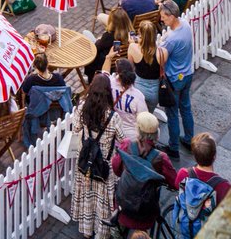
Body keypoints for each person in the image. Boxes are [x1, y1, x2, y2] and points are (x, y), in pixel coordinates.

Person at [70, 73, 122, 239]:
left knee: (87, 195)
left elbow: (76, 129)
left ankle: (86, 230)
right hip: (104, 162)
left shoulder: (81, 107)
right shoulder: (113, 117)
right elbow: (122, 139)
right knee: (102, 200)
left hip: (86, 159)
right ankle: (102, 233)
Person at [111, 111, 177, 235]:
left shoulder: (127, 145)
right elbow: (174, 182)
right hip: (144, 215)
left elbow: (116, 168)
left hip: (123, 208)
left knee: (116, 233)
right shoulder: (161, 158)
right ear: (156, 134)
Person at [171, 133, 231, 232]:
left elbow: (176, 185)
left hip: (186, 226)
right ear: (214, 156)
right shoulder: (224, 187)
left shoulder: (183, 173)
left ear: (195, 157)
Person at [157, 0, 194, 158]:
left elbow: (161, 58)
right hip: (188, 74)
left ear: (172, 16)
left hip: (174, 79)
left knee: (172, 113)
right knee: (185, 108)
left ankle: (173, 147)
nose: (162, 19)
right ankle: (189, 138)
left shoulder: (172, 40)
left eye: (164, 17)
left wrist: (160, 43)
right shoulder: (185, 25)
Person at [84, 6, 132, 82]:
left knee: (86, 33)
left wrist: (99, 40)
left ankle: (91, 78)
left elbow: (96, 48)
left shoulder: (109, 36)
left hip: (103, 63)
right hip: (116, 64)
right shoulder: (130, 35)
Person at [128, 20, 162, 111]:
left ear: (140, 34)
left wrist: (133, 42)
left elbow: (130, 68)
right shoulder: (162, 53)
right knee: (149, 115)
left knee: (137, 116)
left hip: (138, 88)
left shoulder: (132, 47)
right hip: (154, 90)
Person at [110, 59, 148, 140]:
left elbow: (104, 72)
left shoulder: (109, 83)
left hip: (111, 131)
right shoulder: (138, 96)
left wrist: (108, 58)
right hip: (130, 137)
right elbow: (144, 120)